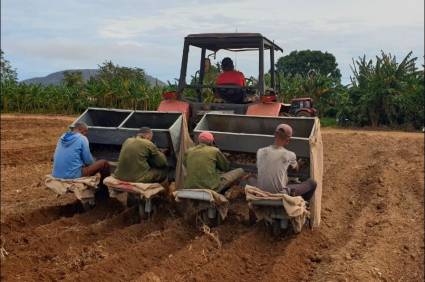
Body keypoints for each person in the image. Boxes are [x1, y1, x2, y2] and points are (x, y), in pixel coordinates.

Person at [256, 124, 317, 201]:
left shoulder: (260, 151)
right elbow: (296, 169)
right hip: (279, 195)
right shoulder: (289, 154)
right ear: (288, 141)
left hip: (261, 192)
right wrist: (299, 163)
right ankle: (302, 203)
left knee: (286, 181)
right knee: (312, 183)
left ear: (275, 135)